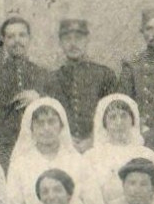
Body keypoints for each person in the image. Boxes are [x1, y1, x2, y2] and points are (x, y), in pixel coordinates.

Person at [7, 97, 99, 204]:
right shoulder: (19, 165)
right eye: (40, 123)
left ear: (61, 126)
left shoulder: (78, 161)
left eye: (51, 122)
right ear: (31, 129)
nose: (46, 128)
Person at [0, 15, 53, 167]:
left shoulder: (43, 74)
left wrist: (39, 99)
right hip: (4, 150)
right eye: (11, 36)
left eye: (22, 35)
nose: (17, 41)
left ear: (29, 38)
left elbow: (57, 111)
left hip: (37, 147)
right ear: (4, 40)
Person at [79, 93, 154, 204]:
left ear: (133, 121)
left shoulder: (147, 154)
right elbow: (90, 195)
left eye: (124, 116)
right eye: (112, 117)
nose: (119, 122)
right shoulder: (91, 157)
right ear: (104, 123)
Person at [51, 18, 119, 149]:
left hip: (99, 145)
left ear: (87, 40)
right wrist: (65, 139)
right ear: (60, 43)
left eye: (78, 38)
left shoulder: (105, 74)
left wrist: (93, 139)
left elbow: (113, 113)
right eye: (67, 39)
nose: (73, 44)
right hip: (64, 147)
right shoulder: (51, 78)